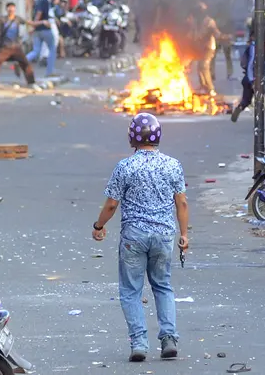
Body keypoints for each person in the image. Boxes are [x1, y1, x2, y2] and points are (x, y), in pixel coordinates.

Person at [92, 112, 189, 363]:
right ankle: (169, 338)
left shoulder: (125, 166)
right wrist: (185, 234)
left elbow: (112, 204)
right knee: (163, 285)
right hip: (164, 235)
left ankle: (139, 343)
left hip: (133, 236)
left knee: (130, 291)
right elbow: (182, 203)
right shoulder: (172, 165)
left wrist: (98, 226)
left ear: (132, 138)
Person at [26, 0, 59, 79]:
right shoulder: (44, 1)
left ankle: (22, 61)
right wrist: (37, 23)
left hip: (37, 30)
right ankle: (50, 71)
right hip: (44, 28)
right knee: (52, 49)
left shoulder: (39, 0)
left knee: (36, 51)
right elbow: (39, 14)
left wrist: (34, 26)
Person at [192, 2, 221, 96]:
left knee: (204, 66)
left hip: (209, 47)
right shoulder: (196, 21)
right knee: (199, 67)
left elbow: (216, 33)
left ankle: (211, 88)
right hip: (200, 47)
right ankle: (203, 86)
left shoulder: (209, 21)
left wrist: (223, 37)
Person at [231, 28, 256, 122]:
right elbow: (252, 64)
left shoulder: (250, 47)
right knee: (258, 100)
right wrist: (252, 79)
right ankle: (259, 123)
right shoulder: (254, 48)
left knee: (246, 100)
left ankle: (238, 110)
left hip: (247, 78)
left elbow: (245, 63)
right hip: (252, 78)